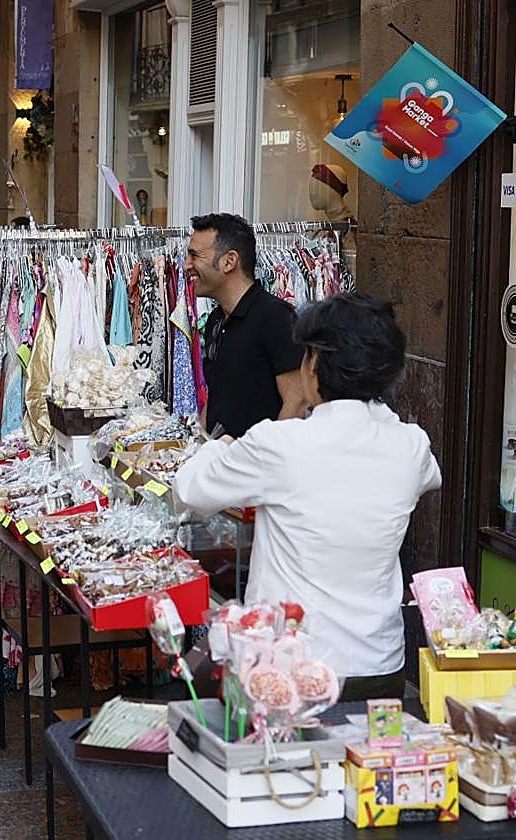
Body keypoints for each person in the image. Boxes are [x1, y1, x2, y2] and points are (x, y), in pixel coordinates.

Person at [174, 293, 442, 701]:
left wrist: (218, 447)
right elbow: (429, 477)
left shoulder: (279, 445)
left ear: (314, 364)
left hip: (291, 670)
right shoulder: (411, 446)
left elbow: (190, 489)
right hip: (379, 666)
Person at [186, 213, 306, 437]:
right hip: (220, 455)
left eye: (194, 256)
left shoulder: (276, 318)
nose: (186, 265)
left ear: (229, 261)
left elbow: (297, 403)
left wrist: (265, 454)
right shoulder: (215, 320)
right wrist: (199, 443)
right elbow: (218, 396)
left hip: (258, 458)